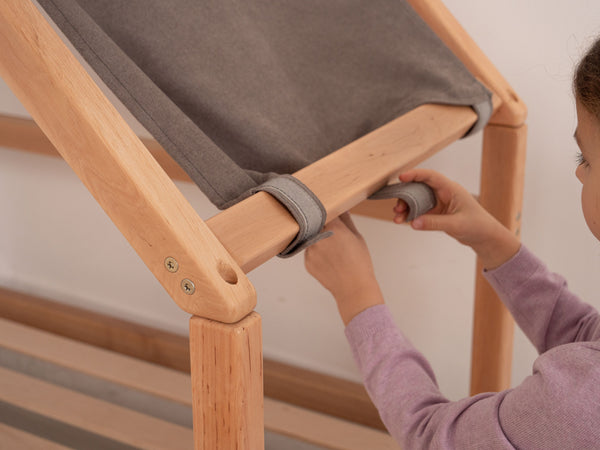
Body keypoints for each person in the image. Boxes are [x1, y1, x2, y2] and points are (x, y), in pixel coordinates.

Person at [304, 38, 600, 449]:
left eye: (584, 159)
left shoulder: (578, 404)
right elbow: (587, 335)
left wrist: (357, 295)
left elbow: (430, 435)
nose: (579, 175)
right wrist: (496, 244)